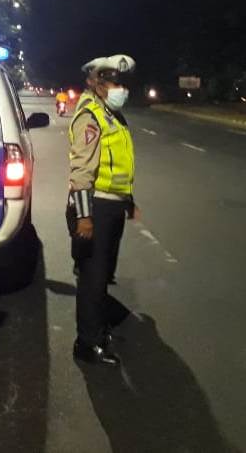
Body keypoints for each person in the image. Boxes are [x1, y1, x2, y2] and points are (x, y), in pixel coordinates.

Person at [67, 54, 139, 367]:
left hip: (111, 206)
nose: (121, 89)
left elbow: (118, 164)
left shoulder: (111, 115)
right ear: (96, 83)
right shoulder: (91, 116)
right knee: (92, 280)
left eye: (122, 83)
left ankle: (98, 330)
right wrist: (84, 217)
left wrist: (128, 200)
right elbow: (82, 170)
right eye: (114, 82)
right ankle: (87, 343)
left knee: (102, 275)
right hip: (94, 207)